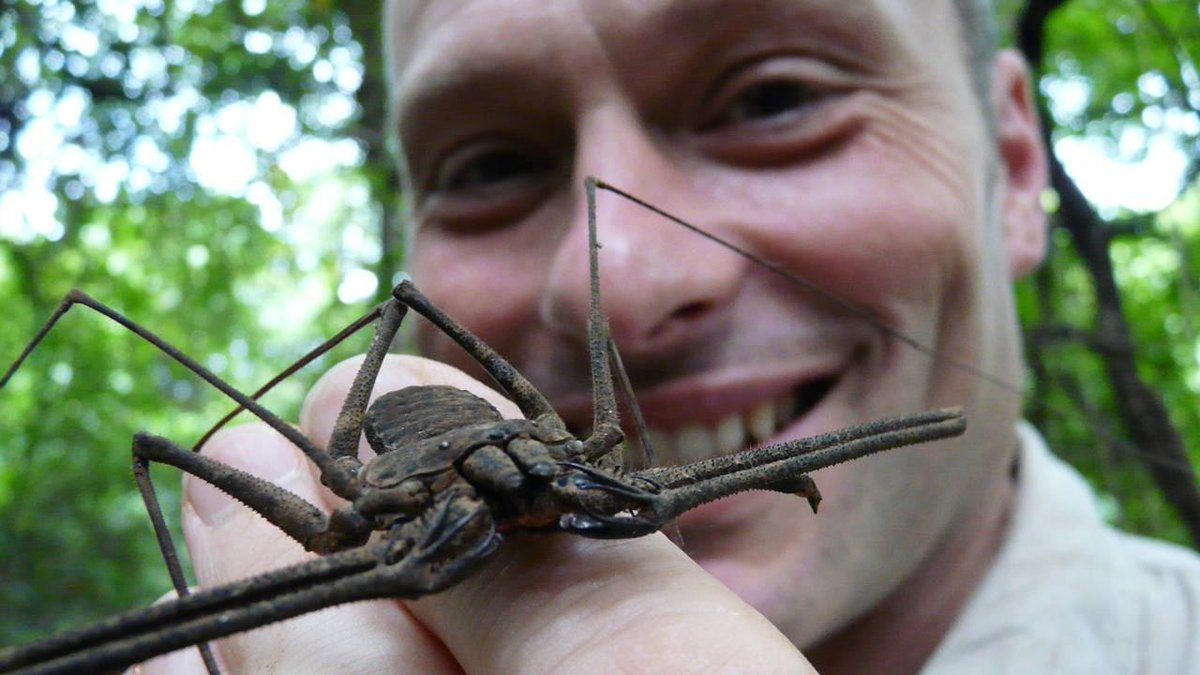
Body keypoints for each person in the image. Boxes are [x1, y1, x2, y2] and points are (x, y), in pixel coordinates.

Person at [143, 0, 1200, 672]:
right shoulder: (368, 521)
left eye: (777, 96)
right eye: (490, 165)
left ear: (1018, 169)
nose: (623, 288)